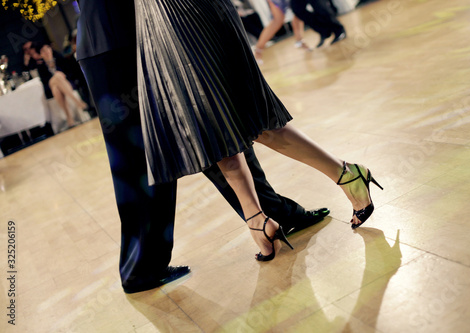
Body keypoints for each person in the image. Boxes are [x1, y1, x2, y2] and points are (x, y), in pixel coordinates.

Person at [76, 0, 330, 293]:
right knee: (144, 155)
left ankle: (273, 214)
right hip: (117, 42)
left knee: (209, 125)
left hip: (141, 33)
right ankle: (141, 268)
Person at [134, 0, 382, 261]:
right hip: (155, 23)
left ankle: (342, 174)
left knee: (247, 118)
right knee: (213, 124)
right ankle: (259, 218)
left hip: (187, 14)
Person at [30, 42, 87, 128]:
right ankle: (79, 103)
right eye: (43, 51)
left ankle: (69, 119)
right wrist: (57, 75)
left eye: (48, 48)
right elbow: (45, 81)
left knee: (56, 88)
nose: (47, 52)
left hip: (65, 83)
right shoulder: (41, 66)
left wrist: (61, 75)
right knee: (56, 77)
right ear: (41, 54)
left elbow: (69, 73)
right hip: (50, 86)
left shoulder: (59, 58)